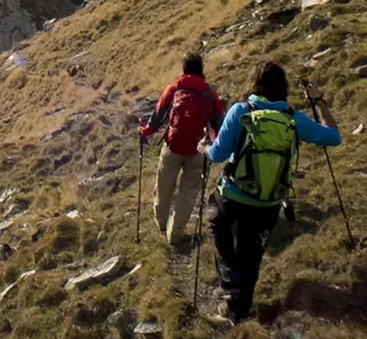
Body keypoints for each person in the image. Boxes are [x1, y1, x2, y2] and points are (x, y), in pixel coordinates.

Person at [203, 60, 341, 324]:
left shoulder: (240, 111)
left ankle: (230, 279)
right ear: (283, 88)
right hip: (269, 201)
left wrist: (203, 149)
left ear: (255, 84)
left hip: (234, 193)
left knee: (217, 223)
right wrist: (319, 101)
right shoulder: (293, 119)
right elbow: (334, 137)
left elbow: (218, 153)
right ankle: (238, 314)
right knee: (252, 253)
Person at [139, 53, 225, 245]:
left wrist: (145, 132)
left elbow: (158, 115)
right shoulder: (210, 95)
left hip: (173, 146)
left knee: (164, 186)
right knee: (188, 192)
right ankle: (175, 233)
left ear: (184, 70)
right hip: (198, 150)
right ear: (201, 71)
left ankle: (161, 223)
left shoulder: (174, 89)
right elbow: (220, 125)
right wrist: (216, 147)